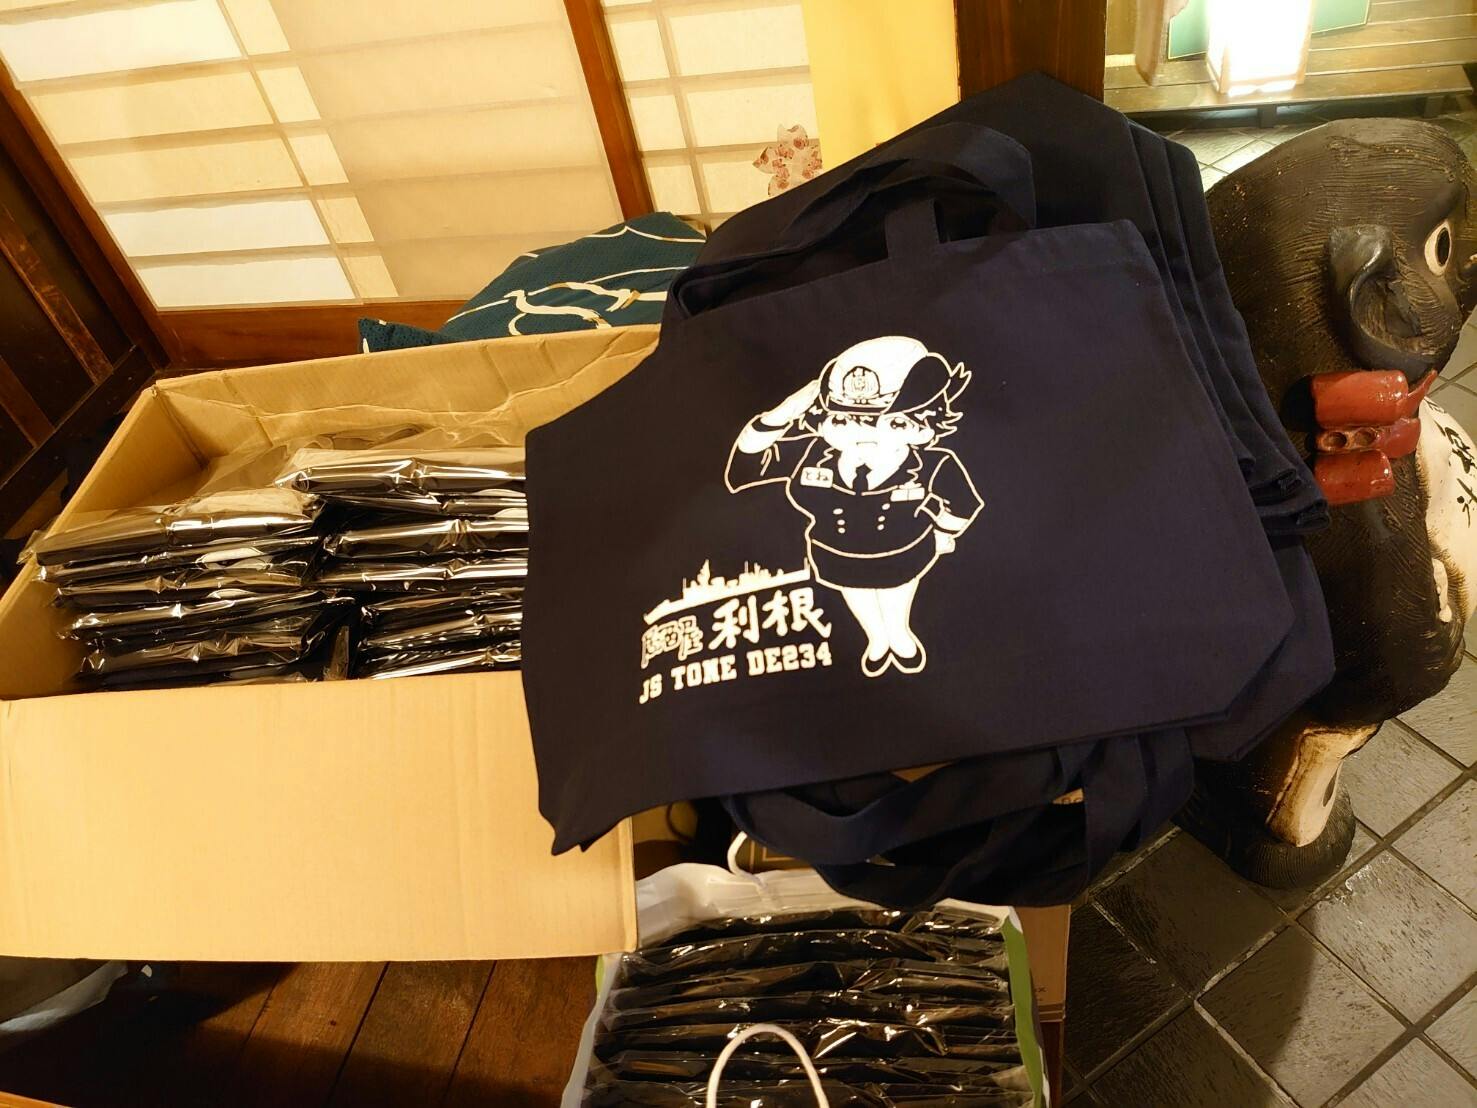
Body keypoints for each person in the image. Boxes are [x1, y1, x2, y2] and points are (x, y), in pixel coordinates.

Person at [726, 335, 982, 676]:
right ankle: (877, 639)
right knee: (856, 595)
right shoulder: (812, 454)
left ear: (921, 426)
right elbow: (745, 468)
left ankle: (899, 635)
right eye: (841, 420)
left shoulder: (934, 464)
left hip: (902, 555)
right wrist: (779, 416)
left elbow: (962, 505)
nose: (861, 434)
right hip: (836, 555)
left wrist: (941, 531)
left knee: (895, 596)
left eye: (889, 422)